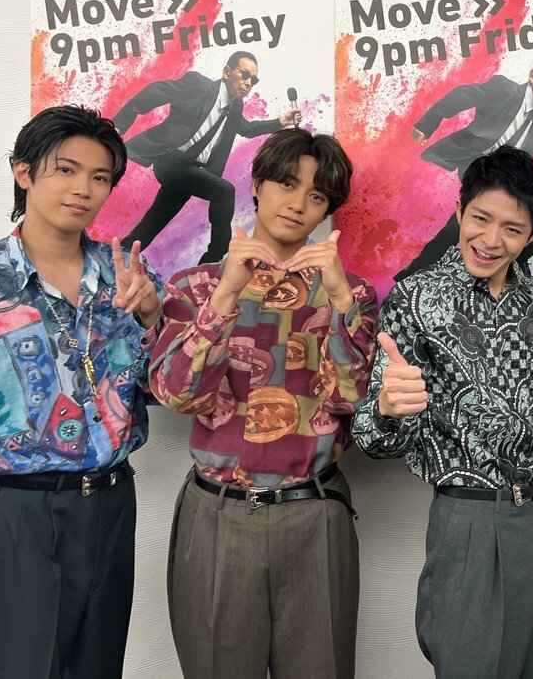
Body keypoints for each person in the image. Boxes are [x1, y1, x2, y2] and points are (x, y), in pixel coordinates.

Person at [353, 146, 533, 679]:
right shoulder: (415, 299)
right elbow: (373, 439)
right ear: (459, 211)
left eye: (512, 229)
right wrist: (385, 408)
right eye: (480, 219)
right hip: (469, 518)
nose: (491, 240)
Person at [0, 105, 163, 677]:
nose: (83, 188)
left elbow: (166, 394)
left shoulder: (127, 278)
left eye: (100, 177)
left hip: (112, 503)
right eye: (65, 169)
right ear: (24, 172)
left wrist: (153, 321)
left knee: (96, 668)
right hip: (20, 512)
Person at [149, 128, 376, 679]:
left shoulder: (352, 294)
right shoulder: (195, 285)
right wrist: (226, 294)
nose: (297, 204)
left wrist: (341, 301)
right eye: (286, 184)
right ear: (256, 185)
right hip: (217, 512)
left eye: (316, 195)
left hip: (314, 510)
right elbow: (176, 394)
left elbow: (352, 400)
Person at [396, 53, 533, 279]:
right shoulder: (504, 90)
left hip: (508, 175)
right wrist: (428, 123)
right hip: (478, 165)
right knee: (478, 218)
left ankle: (518, 272)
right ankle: (416, 272)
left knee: (517, 214)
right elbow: (461, 96)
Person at [113, 50, 301, 264]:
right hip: (170, 162)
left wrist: (281, 122)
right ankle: (215, 258)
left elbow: (246, 128)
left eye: (254, 80)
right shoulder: (198, 86)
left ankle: (121, 253)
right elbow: (155, 92)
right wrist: (118, 125)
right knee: (224, 191)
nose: (249, 83)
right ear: (227, 72)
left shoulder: (235, 106)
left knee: (155, 220)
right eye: (245, 75)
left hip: (191, 171)